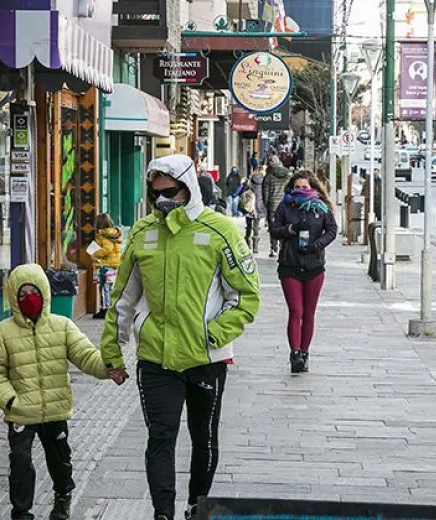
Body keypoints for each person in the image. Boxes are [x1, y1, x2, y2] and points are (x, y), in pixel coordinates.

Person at [101, 155, 261, 520]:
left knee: (203, 438)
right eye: (155, 194)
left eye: (170, 193)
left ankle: (196, 504)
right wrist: (113, 352)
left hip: (207, 359)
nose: (162, 201)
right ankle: (162, 513)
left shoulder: (221, 231)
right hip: (156, 359)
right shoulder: (143, 233)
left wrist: (213, 334)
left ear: (188, 188)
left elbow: (247, 295)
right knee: (160, 437)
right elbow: (123, 296)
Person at [0, 264, 113, 520]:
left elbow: (85, 355)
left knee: (60, 460)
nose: (28, 298)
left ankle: (63, 497)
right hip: (21, 411)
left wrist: (109, 368)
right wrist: (10, 400)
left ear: (44, 292)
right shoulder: (3, 332)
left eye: (33, 291)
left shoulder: (62, 326)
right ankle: (21, 512)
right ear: (13, 297)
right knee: (20, 461)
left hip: (55, 409)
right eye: (21, 294)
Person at [269, 172, 338, 374]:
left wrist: (317, 245)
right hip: (290, 265)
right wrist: (292, 228)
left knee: (309, 313)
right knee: (295, 311)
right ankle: (295, 353)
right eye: (296, 187)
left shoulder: (321, 208)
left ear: (312, 188)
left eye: (304, 186)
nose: (300, 190)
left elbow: (332, 230)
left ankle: (305, 353)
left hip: (314, 266)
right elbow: (275, 230)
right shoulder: (285, 206)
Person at [90, 214, 122, 319]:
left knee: (104, 288)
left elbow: (107, 249)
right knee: (110, 287)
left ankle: (105, 309)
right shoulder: (113, 234)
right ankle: (110, 308)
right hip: (113, 264)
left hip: (106, 264)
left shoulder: (104, 235)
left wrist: (95, 254)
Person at [263, 151, 292, 258]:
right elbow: (290, 190)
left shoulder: (268, 177)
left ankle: (273, 247)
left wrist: (266, 204)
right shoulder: (287, 176)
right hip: (284, 205)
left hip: (272, 205)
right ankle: (282, 246)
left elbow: (265, 193)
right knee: (283, 226)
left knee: (273, 227)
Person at [240, 166, 267, 253]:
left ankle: (248, 244)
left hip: (249, 206)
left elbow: (243, 193)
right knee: (256, 227)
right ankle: (255, 248)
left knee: (248, 226)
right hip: (259, 206)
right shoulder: (264, 182)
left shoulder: (249, 182)